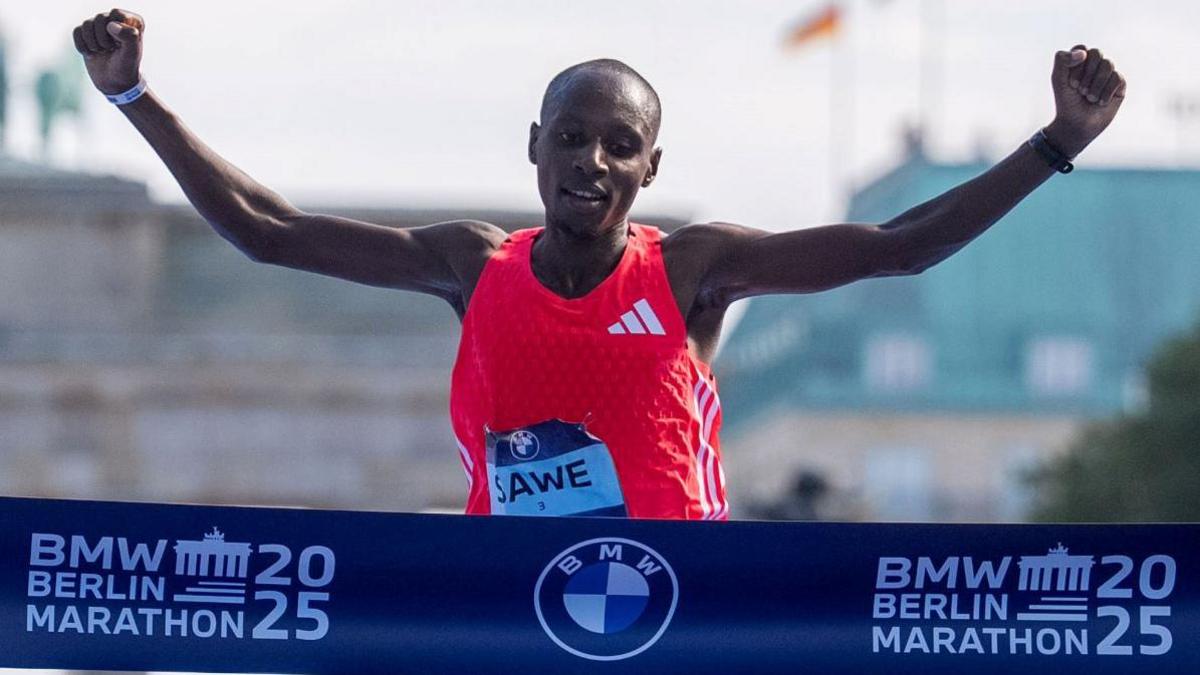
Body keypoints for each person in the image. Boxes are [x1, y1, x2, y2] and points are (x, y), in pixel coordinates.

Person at [73, 9, 1126, 520]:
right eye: (572, 138)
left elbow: (898, 250)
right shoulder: (472, 266)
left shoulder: (694, 270)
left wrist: (1055, 145)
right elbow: (266, 228)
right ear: (534, 147)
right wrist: (133, 97)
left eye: (619, 145)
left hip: (681, 606)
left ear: (650, 167)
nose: (592, 163)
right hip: (518, 602)